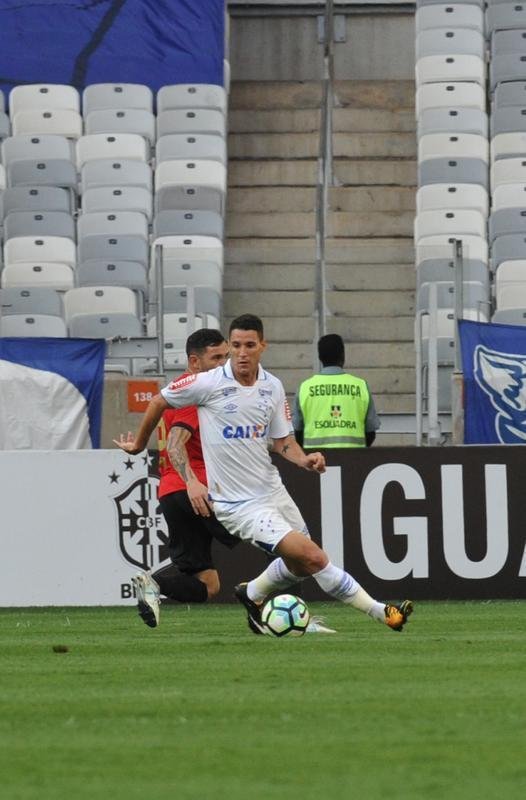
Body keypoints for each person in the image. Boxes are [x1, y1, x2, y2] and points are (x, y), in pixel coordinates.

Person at [115, 314, 413, 634]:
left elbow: (283, 442)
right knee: (312, 557)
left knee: (299, 564)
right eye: (236, 346)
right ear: (230, 347)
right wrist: (140, 445)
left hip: (273, 490)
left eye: (250, 345)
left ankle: (253, 593)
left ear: (262, 346)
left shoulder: (272, 386)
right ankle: (383, 612)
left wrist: (304, 460)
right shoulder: (208, 383)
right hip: (238, 505)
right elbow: (160, 400)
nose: (242, 352)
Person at [131, 328, 240, 628]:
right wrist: (193, 481)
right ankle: (274, 610)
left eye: (226, 357)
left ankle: (154, 585)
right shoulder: (197, 390)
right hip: (200, 488)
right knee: (274, 536)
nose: (224, 364)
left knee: (208, 583)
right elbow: (178, 441)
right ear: (194, 361)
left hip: (171, 492)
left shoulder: (175, 388)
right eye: (216, 358)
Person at [292, 333, 380, 449]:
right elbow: (370, 432)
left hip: (316, 461)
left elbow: (298, 432)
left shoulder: (305, 388)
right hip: (355, 461)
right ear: (343, 355)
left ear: (320, 357)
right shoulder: (360, 386)